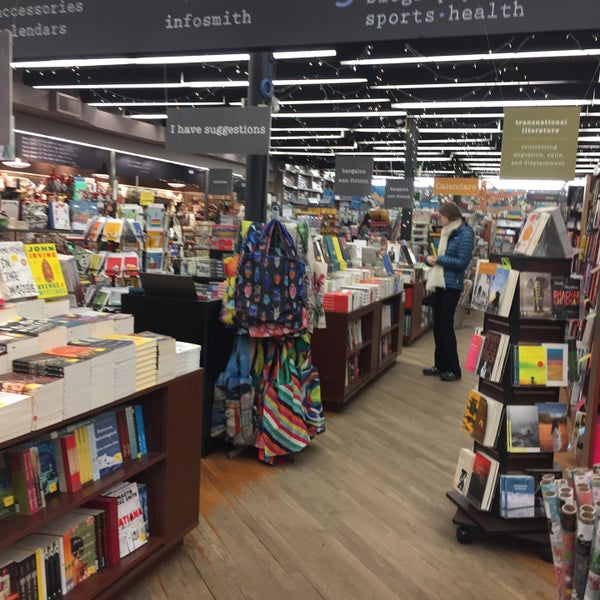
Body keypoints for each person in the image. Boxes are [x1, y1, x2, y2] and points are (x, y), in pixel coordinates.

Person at [423, 202, 474, 381]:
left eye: (441, 215)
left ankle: (454, 368)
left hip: (452, 285)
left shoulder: (465, 233)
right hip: (440, 283)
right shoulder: (447, 232)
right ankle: (440, 365)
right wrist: (434, 260)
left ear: (451, 217)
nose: (439, 218)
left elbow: (462, 262)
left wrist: (440, 260)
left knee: (446, 326)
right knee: (438, 326)